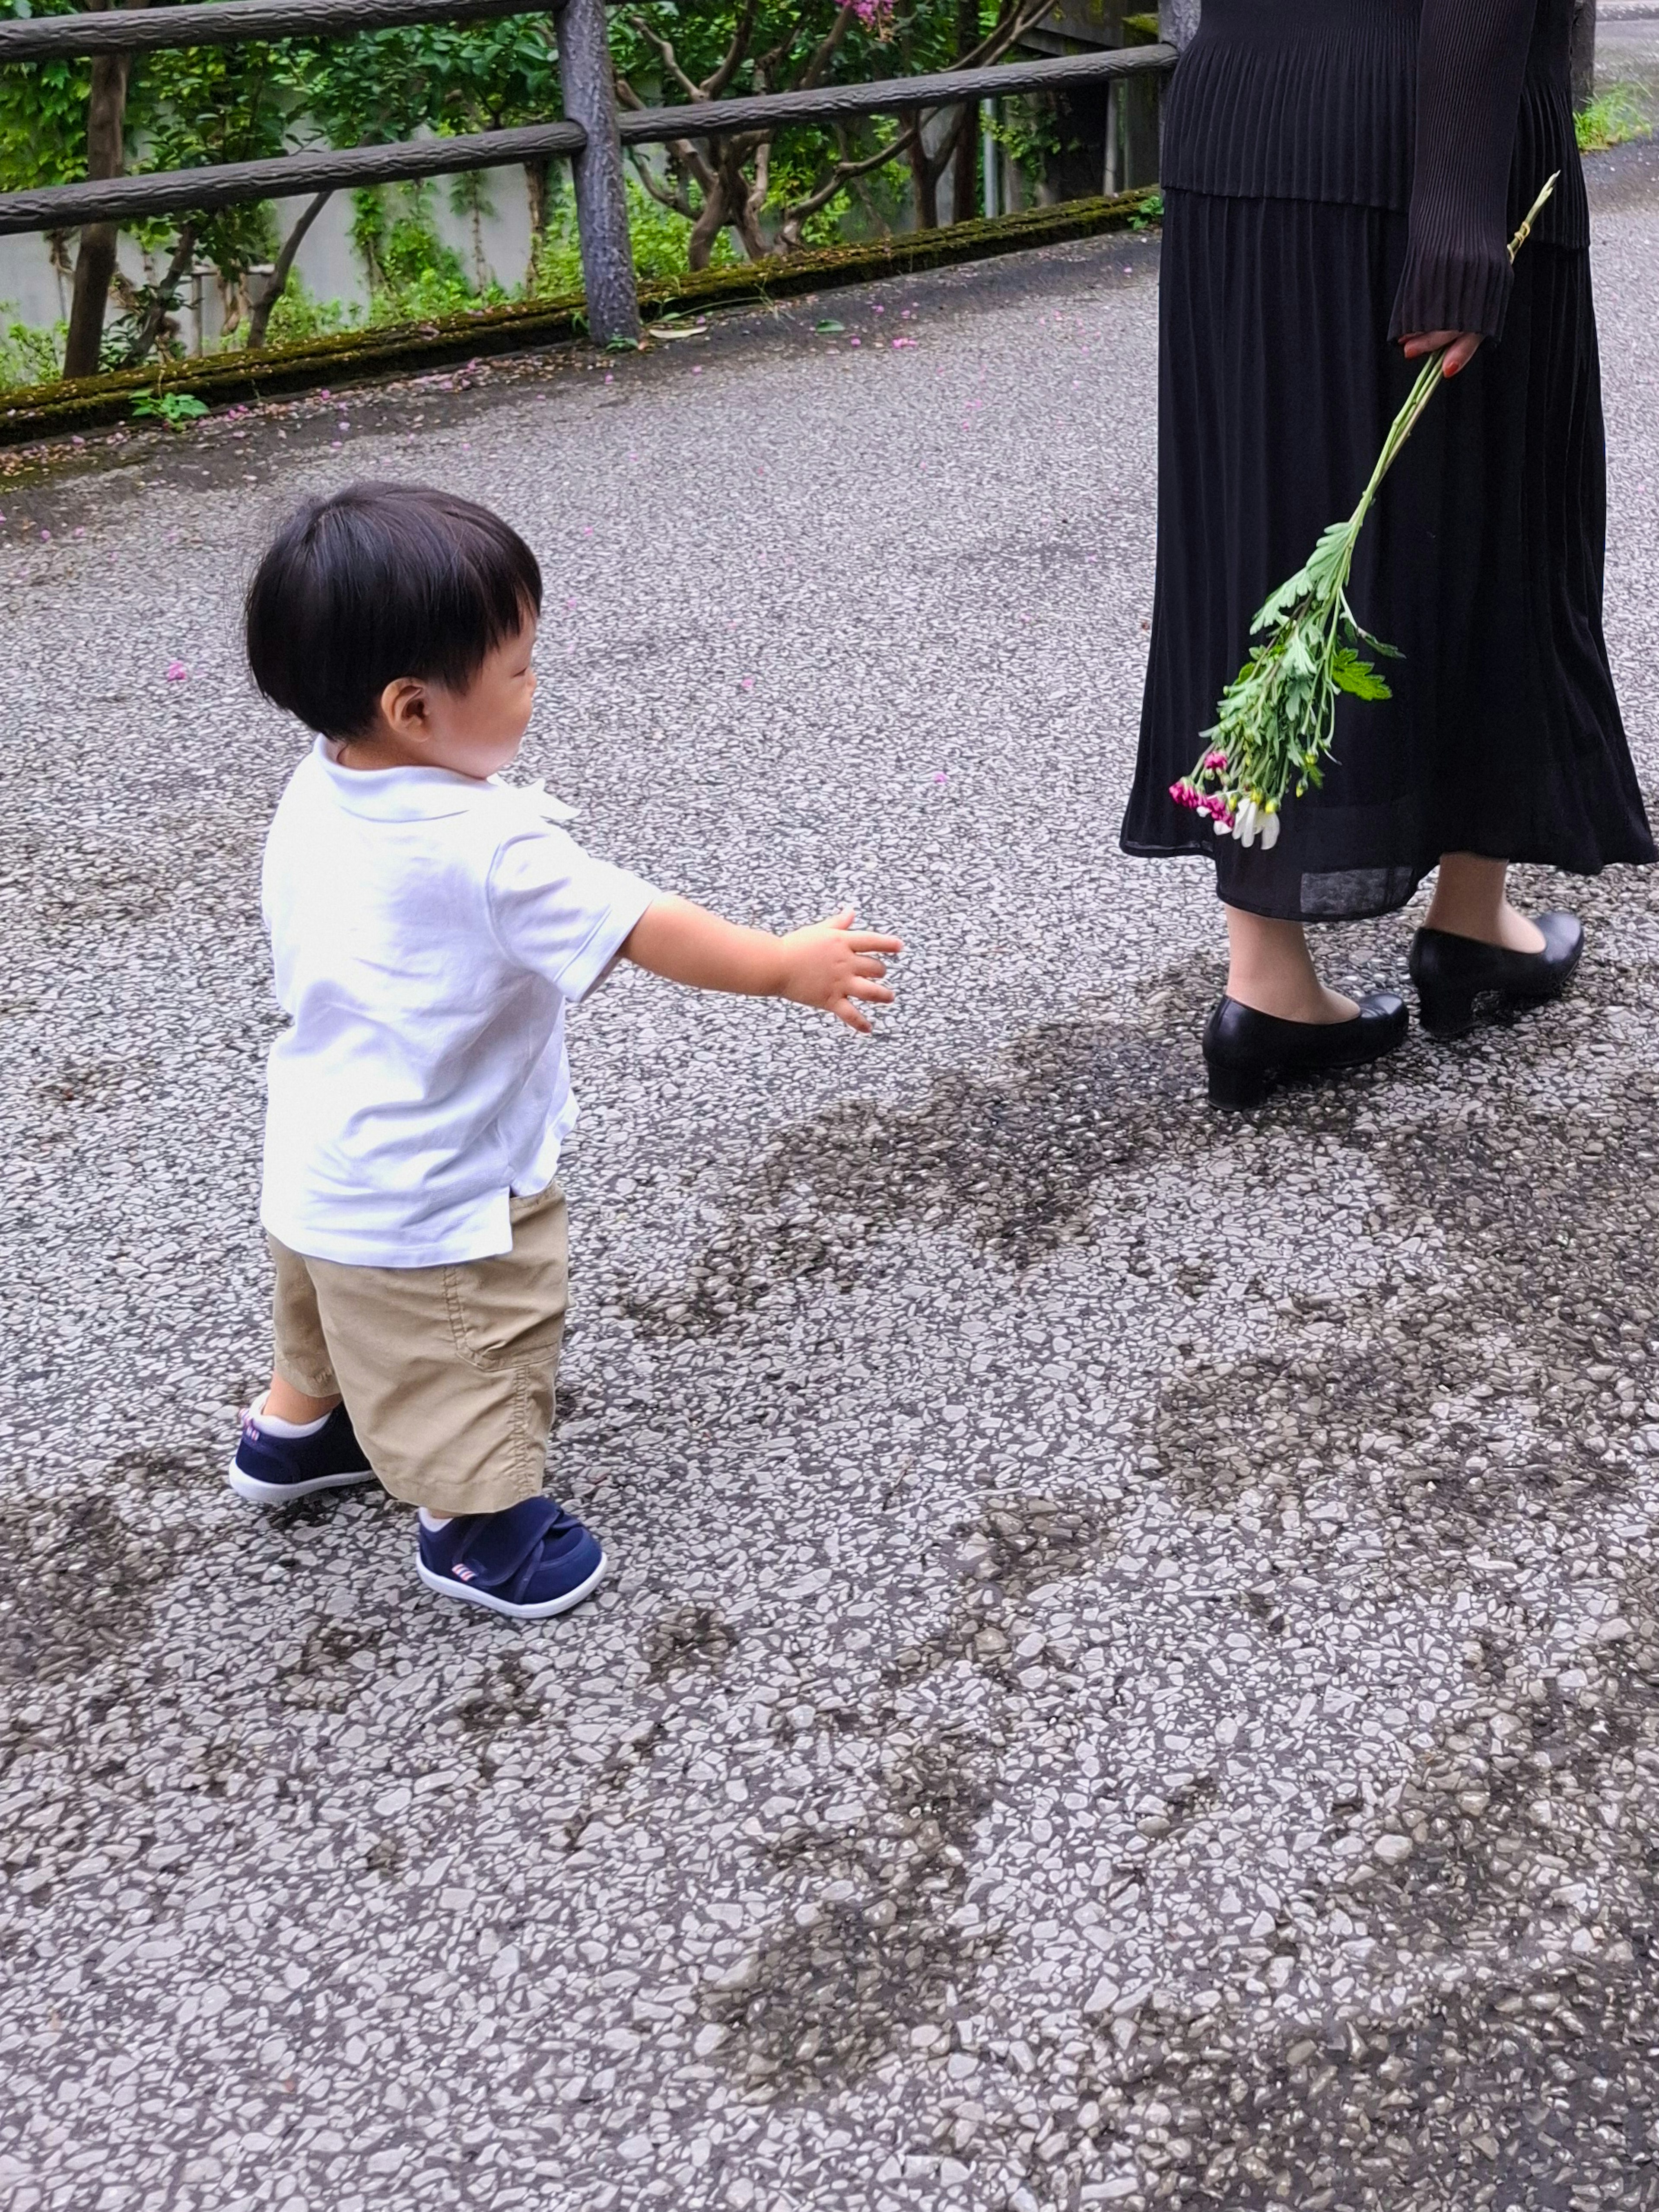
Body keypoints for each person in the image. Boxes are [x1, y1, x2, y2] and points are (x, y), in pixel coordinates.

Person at [230, 483, 901, 1619]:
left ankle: (299, 1432)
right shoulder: (486, 846)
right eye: (521, 669)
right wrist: (785, 966)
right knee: (476, 1342)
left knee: (327, 1309)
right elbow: (644, 927)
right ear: (412, 708)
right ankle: (476, 1529)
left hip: (319, 1155)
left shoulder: (322, 779)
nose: (537, 689)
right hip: (442, 1190)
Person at [1121, 0, 1653, 1108]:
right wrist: (1458, 206)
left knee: (1262, 532)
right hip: (1424, 142)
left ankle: (1271, 978)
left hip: (1238, 127)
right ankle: (1469, 923)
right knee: (1495, 534)